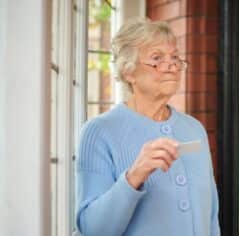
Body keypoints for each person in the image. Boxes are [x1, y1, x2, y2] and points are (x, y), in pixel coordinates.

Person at [75, 18, 220, 236]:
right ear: (128, 72)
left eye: (175, 57)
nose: (171, 65)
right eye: (157, 58)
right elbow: (93, 229)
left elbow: (211, 216)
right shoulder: (99, 132)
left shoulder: (194, 129)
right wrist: (134, 176)